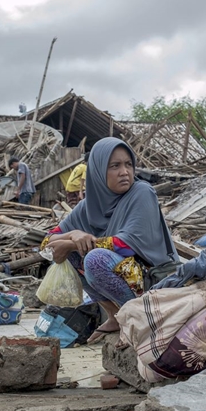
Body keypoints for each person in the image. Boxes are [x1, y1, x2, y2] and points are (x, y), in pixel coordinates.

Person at [41, 138, 179, 343]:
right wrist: (72, 235)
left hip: (155, 279)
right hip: (126, 277)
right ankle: (115, 315)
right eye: (115, 166)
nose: (124, 172)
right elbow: (46, 245)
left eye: (128, 164)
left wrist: (71, 243)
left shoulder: (142, 192)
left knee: (95, 259)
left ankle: (139, 317)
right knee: (68, 255)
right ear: (98, 171)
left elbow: (125, 246)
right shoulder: (87, 206)